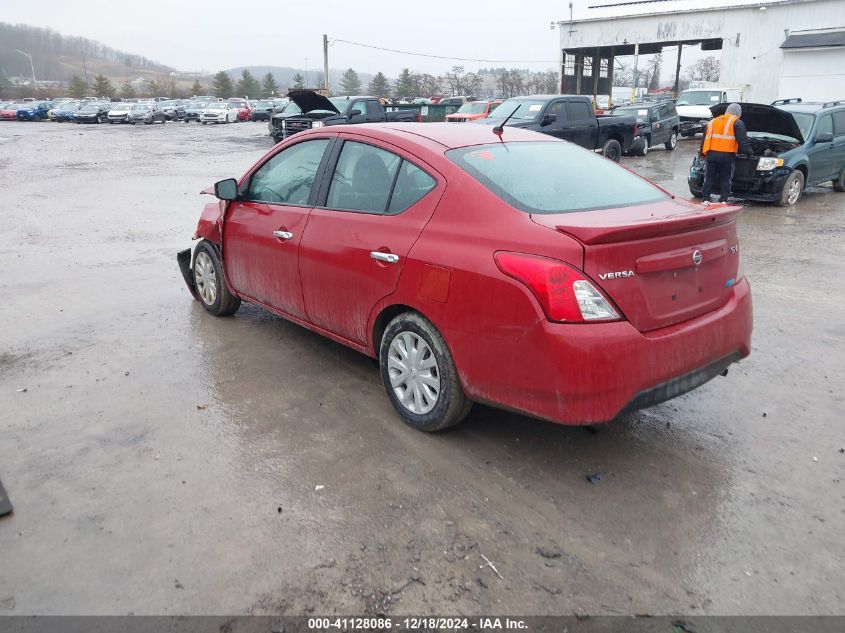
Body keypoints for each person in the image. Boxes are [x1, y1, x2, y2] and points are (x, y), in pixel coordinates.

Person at [700, 103, 752, 203]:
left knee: (709, 177)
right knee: (725, 178)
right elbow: (743, 141)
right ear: (738, 112)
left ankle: (705, 199)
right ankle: (723, 200)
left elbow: (704, 139)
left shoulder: (712, 122)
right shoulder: (736, 122)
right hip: (726, 156)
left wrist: (702, 154)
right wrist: (749, 154)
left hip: (711, 155)